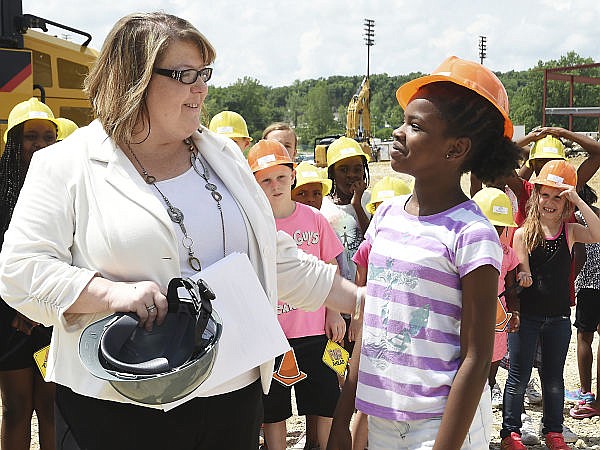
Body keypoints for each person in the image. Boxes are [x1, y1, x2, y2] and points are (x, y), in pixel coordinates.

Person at [0, 13, 362, 450]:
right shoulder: (65, 165)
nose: (202, 88)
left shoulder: (224, 155)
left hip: (231, 397)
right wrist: (111, 294)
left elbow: (272, 255)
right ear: (133, 79)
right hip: (114, 407)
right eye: (186, 74)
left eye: (204, 74)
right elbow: (20, 271)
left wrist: (358, 300)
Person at [328, 55, 523, 450]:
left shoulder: (472, 233)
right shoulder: (383, 218)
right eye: (403, 121)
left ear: (456, 149)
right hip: (382, 420)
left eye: (415, 126)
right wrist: (342, 421)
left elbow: (476, 356)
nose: (398, 133)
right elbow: (370, 329)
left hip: (442, 427)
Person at [248, 139, 346, 450]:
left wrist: (333, 312)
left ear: (292, 176)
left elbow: (331, 267)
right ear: (253, 183)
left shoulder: (314, 218)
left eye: (280, 177)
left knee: (324, 398)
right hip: (272, 335)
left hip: (314, 330)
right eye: (265, 180)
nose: (274, 186)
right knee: (273, 406)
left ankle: (318, 445)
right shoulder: (253, 225)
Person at [501, 160, 600, 450]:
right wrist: (524, 274)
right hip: (528, 317)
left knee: (554, 378)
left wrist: (578, 198)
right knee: (519, 376)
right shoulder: (523, 233)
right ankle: (511, 432)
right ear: (536, 197)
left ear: (566, 202)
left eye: (558, 197)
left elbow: (597, 233)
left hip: (558, 318)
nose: (550, 202)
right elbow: (522, 269)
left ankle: (554, 431)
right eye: (544, 195)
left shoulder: (570, 231)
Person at [0, 97, 59, 450]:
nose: (39, 145)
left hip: (51, 315)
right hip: (8, 319)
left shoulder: (65, 191)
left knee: (51, 408)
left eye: (47, 138)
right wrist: (21, 306)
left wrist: (38, 307)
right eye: (30, 136)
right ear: (13, 142)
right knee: (17, 408)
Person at [471, 188, 522, 411]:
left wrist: (515, 311)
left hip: (498, 317)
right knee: (468, 370)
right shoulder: (463, 251)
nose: (495, 230)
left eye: (499, 225)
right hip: (470, 315)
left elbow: (511, 288)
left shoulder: (507, 253)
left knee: (489, 374)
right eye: (489, 224)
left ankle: (482, 427)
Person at [320, 136, 371, 358]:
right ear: (331, 173)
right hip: (335, 298)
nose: (352, 174)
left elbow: (373, 242)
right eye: (344, 169)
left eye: (357, 168)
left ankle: (354, 389)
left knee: (361, 354)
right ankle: (340, 389)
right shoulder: (322, 206)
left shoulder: (370, 201)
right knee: (336, 355)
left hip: (364, 296)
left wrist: (358, 205)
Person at [567, 184, 600, 419]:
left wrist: (569, 284)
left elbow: (580, 255)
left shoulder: (575, 219)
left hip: (588, 285)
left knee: (584, 338)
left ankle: (587, 394)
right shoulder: (597, 214)